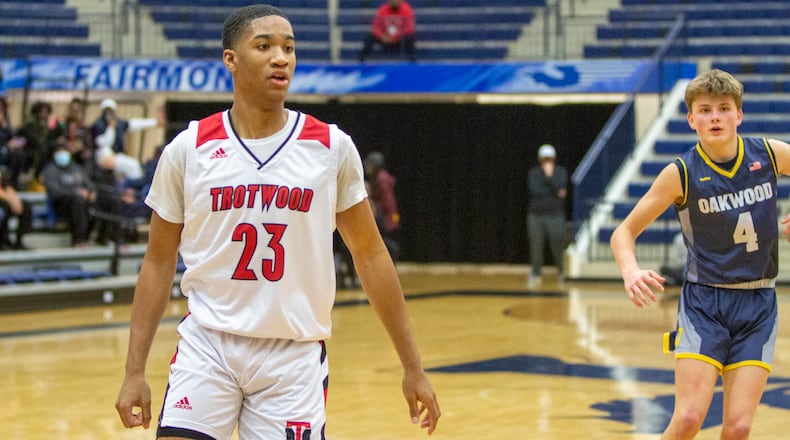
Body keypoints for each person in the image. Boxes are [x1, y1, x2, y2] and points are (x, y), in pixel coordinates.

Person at [115, 5, 440, 440]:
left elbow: (370, 254)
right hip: (208, 345)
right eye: (264, 46)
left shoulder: (330, 148)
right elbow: (157, 262)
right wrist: (134, 371)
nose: (281, 58)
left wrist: (413, 366)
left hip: (293, 354)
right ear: (231, 59)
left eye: (288, 48)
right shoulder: (188, 149)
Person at [610, 69, 789, 440]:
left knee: (738, 427)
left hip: (759, 301)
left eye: (724, 108)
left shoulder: (769, 154)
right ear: (691, 119)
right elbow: (622, 233)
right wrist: (630, 271)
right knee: (690, 418)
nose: (715, 117)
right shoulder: (681, 173)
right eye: (705, 110)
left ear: (739, 115)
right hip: (705, 303)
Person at [527, 143, 568, 287]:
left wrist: (550, 178)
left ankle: (562, 272)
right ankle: (535, 273)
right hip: (536, 215)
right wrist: (554, 189)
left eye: (549, 158)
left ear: (554, 159)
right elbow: (535, 190)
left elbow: (562, 191)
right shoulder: (534, 173)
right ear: (540, 159)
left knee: (557, 243)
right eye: (544, 159)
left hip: (555, 215)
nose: (547, 161)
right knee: (536, 245)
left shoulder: (560, 172)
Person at [40, 144, 96, 247]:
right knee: (77, 200)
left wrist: (91, 192)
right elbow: (54, 191)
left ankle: (101, 237)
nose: (62, 155)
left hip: (82, 201)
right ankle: (79, 239)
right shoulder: (50, 170)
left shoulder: (76, 168)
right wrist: (75, 192)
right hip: (62, 203)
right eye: (59, 153)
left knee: (103, 201)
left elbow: (89, 184)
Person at [364, 151, 401, 260]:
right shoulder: (379, 178)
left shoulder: (382, 179)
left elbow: (388, 202)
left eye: (370, 165)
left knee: (385, 243)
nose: (367, 167)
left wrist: (383, 216)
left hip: (386, 218)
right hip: (388, 217)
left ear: (376, 165)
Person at [91, 98, 159, 156]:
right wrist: (110, 128)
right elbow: (104, 143)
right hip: (103, 155)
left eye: (111, 111)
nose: (109, 114)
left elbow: (134, 123)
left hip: (117, 155)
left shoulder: (119, 123)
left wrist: (155, 122)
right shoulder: (98, 124)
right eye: (106, 111)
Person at [0, 166, 32, 250]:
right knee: (4, 207)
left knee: (26, 206)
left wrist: (15, 201)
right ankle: (3, 242)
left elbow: (7, 187)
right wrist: (10, 200)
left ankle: (19, 242)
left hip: (4, 199)